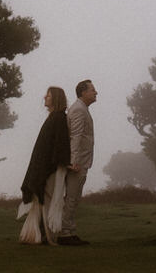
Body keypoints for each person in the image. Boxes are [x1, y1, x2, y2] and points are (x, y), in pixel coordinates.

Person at [17, 86, 70, 244]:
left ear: (56, 98)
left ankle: (48, 236)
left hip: (50, 169)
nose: (45, 97)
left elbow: (60, 144)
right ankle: (43, 235)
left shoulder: (59, 118)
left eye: (48, 95)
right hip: (44, 168)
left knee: (47, 201)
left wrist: (63, 163)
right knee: (42, 201)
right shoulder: (53, 117)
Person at [58, 79, 97, 246]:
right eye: (92, 90)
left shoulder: (81, 109)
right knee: (72, 198)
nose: (96, 92)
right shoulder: (79, 110)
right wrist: (73, 161)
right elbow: (76, 136)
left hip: (81, 161)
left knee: (74, 198)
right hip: (78, 163)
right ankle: (65, 233)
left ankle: (70, 231)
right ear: (83, 92)